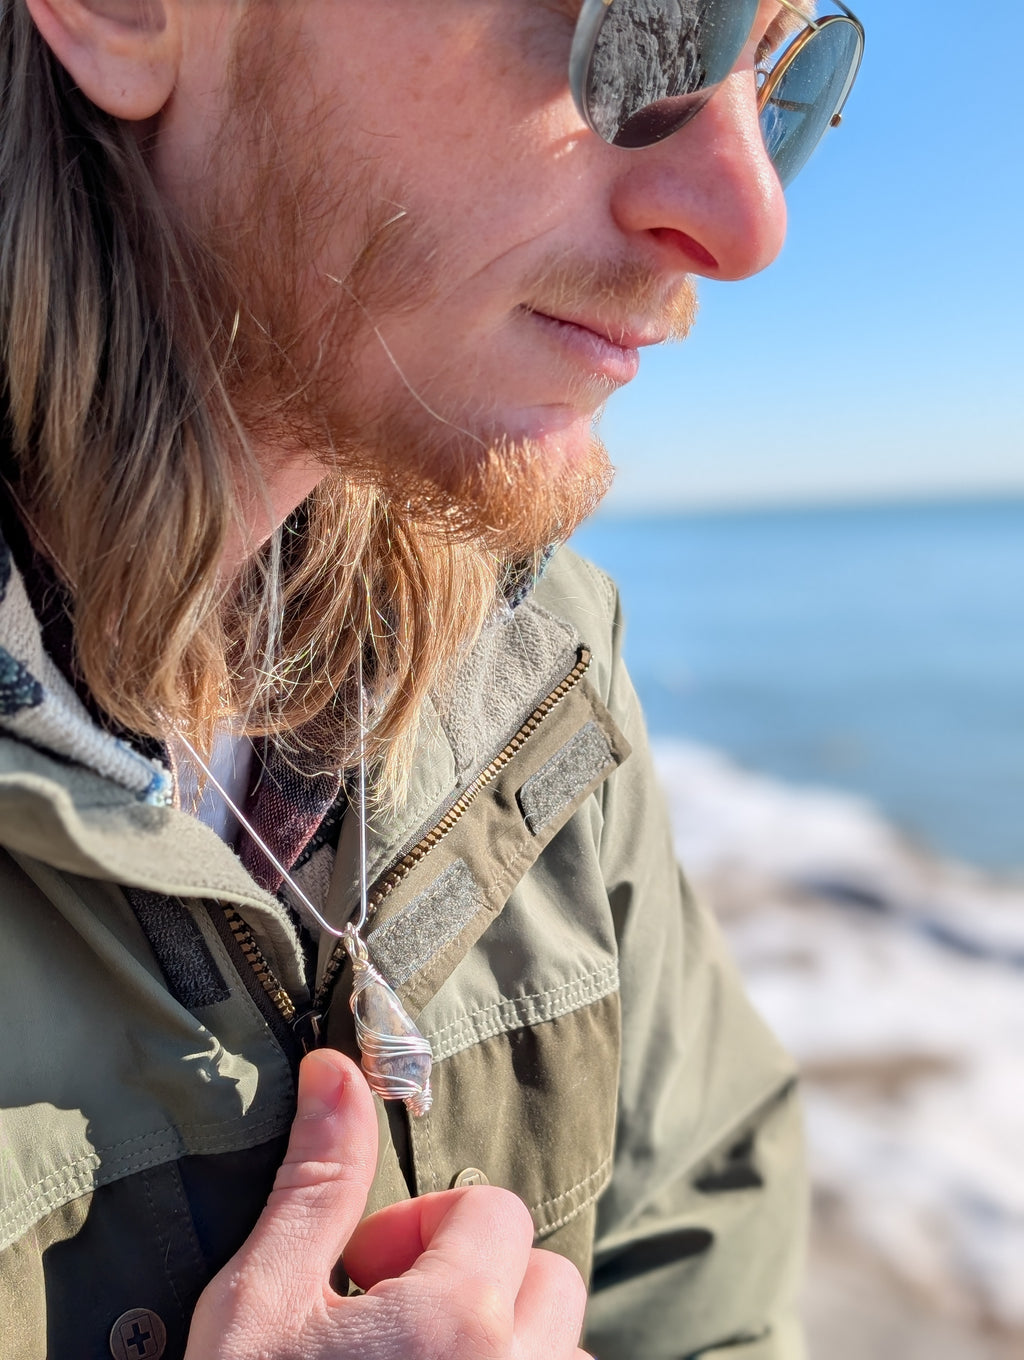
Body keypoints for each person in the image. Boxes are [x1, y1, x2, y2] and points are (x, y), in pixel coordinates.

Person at [0, 1, 863, 1357]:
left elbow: (706, 1289)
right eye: (644, 32)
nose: (749, 225)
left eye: (781, 73)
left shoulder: (536, 669)